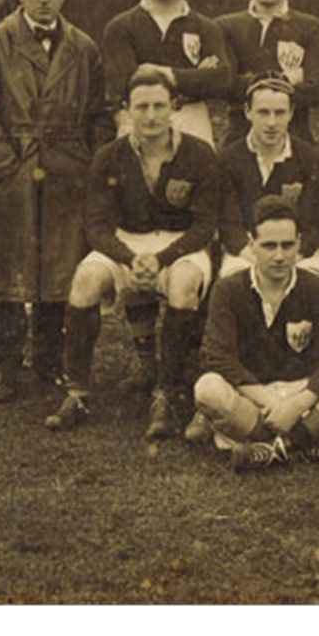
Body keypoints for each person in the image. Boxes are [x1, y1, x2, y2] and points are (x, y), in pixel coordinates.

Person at [0, 0, 113, 403]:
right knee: (7, 276)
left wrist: (90, 161)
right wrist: (4, 165)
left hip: (68, 173)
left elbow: (100, 114)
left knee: (59, 274)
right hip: (12, 174)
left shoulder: (83, 47)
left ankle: (50, 362)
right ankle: (3, 366)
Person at [44, 67, 219, 439]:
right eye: (141, 107)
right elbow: (96, 225)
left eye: (159, 106)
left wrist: (163, 259)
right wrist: (128, 258)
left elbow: (205, 226)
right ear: (125, 110)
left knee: (185, 284)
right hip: (127, 243)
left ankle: (167, 392)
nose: (151, 116)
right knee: (85, 281)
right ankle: (76, 392)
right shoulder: (109, 156)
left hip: (179, 243)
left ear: (175, 106)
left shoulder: (199, 154)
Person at [193, 197, 319, 472]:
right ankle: (308, 442)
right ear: (251, 243)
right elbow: (219, 357)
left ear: (298, 243)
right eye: (269, 246)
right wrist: (272, 403)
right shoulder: (229, 289)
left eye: (287, 245)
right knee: (207, 388)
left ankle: (271, 449)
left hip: (304, 395)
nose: (279, 256)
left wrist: (296, 404)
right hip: (254, 400)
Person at [101, 0, 231, 146]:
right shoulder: (120, 27)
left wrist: (168, 74)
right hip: (140, 120)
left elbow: (222, 80)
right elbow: (124, 83)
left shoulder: (206, 27)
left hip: (192, 121)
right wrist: (195, 78)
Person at [216, 0, 319, 146]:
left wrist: (249, 82)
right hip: (239, 140)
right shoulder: (226, 26)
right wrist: (288, 78)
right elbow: (227, 87)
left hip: (296, 140)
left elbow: (314, 91)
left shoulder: (310, 27)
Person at [218, 75, 319, 278]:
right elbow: (229, 225)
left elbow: (315, 223)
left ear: (291, 113)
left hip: (296, 250)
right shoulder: (228, 158)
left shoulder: (310, 157)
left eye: (280, 113)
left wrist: (293, 254)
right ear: (248, 112)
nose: (272, 122)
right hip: (247, 251)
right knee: (234, 279)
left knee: (311, 280)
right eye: (263, 112)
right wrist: (256, 257)